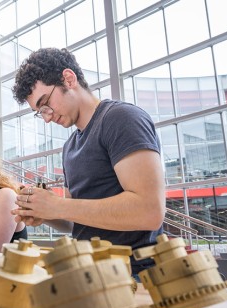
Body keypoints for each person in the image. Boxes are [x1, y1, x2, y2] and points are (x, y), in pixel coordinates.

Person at [11, 48, 165, 275]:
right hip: (90, 273)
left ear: (69, 79)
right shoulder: (70, 147)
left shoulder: (121, 119)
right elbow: (79, 221)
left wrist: (59, 206)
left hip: (136, 274)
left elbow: (149, 211)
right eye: (39, 112)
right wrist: (47, 214)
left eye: (46, 104)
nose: (47, 117)